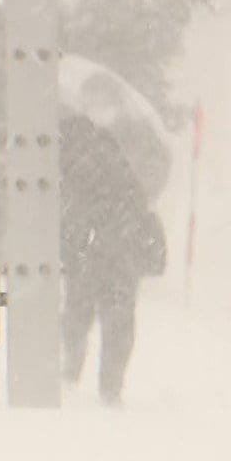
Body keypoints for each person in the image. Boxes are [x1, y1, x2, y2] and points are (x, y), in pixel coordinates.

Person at [60, 107, 166, 407]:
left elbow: (68, 214)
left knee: (78, 313)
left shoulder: (71, 159)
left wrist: (72, 247)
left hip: (92, 249)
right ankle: (110, 390)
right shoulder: (111, 155)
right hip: (122, 247)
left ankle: (69, 375)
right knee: (117, 318)